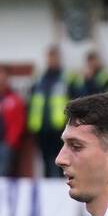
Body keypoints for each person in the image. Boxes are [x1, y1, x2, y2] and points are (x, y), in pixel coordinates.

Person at [28, 45, 69, 176]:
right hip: (42, 129)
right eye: (50, 57)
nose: (52, 60)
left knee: (60, 162)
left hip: (60, 128)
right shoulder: (40, 80)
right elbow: (32, 102)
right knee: (45, 162)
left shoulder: (65, 79)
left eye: (55, 57)